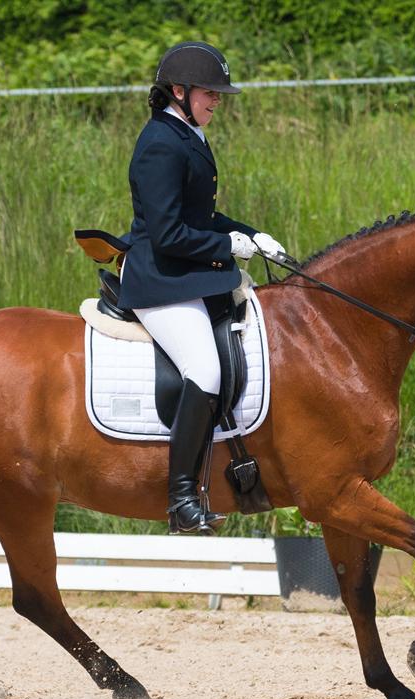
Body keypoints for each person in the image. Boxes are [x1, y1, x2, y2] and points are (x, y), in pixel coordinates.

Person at [116, 41, 285, 535]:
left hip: (185, 270)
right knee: (205, 370)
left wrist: (252, 234)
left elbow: (202, 217)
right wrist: (228, 244)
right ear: (179, 91)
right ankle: (182, 498)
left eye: (219, 93)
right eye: (210, 93)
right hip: (159, 277)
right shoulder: (159, 144)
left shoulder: (188, 134)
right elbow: (168, 234)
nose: (217, 102)